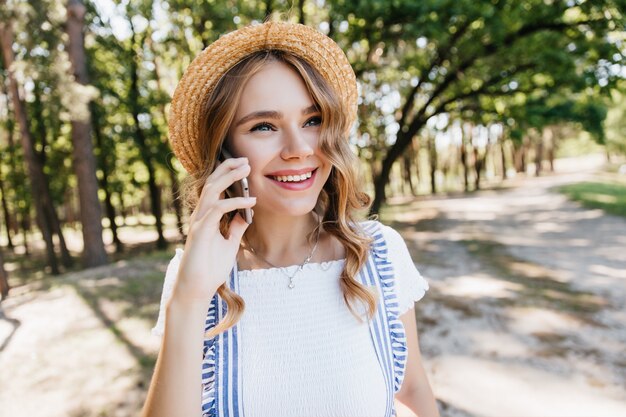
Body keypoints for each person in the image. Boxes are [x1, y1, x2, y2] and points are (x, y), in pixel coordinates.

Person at [141, 21, 439, 417]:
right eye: (264, 126)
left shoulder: (378, 253)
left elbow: (414, 391)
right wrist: (190, 297)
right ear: (224, 148)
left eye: (312, 120)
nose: (298, 149)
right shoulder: (193, 275)